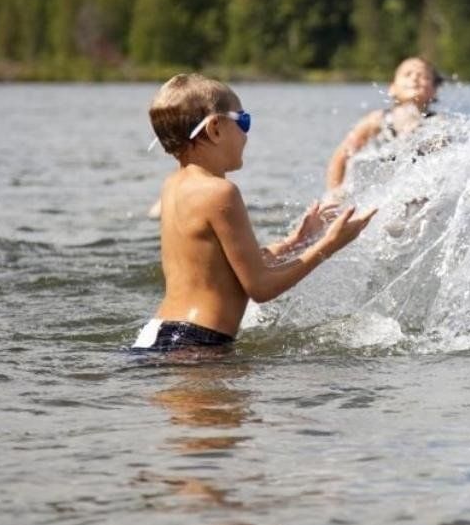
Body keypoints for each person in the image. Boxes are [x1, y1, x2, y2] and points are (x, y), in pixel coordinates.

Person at [134, 74, 376, 352]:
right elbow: (261, 287)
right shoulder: (220, 192)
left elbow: (223, 269)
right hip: (195, 345)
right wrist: (330, 244)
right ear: (215, 129)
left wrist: (293, 243)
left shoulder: (173, 185)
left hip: (158, 333)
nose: (246, 134)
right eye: (243, 121)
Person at [325, 56, 445, 197]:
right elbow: (341, 155)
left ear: (434, 91)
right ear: (392, 88)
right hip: (380, 190)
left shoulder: (437, 124)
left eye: (424, 76)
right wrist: (333, 193)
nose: (415, 78)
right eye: (407, 74)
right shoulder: (377, 120)